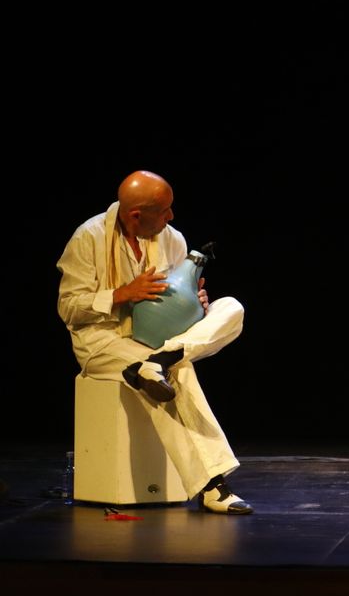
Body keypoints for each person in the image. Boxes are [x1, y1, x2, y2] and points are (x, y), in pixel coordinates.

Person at [56, 170, 252, 514]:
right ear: (136, 215)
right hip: (105, 341)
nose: (171, 217)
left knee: (231, 307)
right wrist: (121, 295)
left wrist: (196, 304)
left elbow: (177, 301)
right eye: (164, 211)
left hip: (161, 340)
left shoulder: (171, 239)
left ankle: (159, 361)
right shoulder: (88, 238)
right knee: (181, 371)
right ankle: (212, 485)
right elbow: (68, 308)